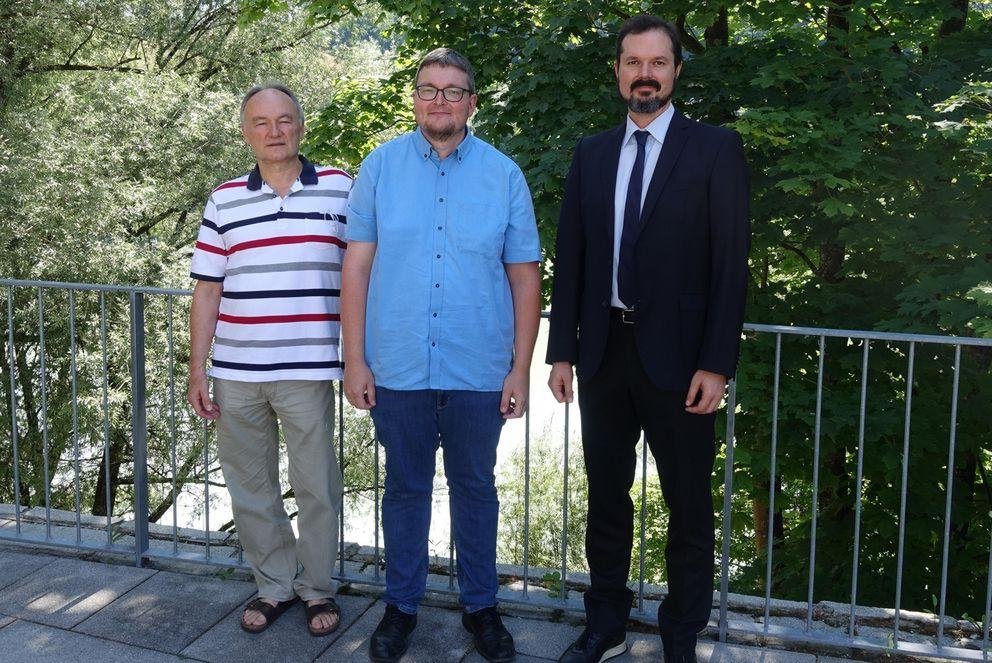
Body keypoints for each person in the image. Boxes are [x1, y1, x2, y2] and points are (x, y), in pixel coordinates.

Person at [546, 14, 750, 663]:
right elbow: (571, 258)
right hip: (604, 354)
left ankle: (680, 630)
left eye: (657, 62)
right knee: (606, 496)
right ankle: (604, 619)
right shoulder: (592, 153)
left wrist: (717, 363)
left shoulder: (715, 149)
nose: (644, 74)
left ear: (676, 71)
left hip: (684, 361)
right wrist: (560, 351)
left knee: (689, 505)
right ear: (617, 72)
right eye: (633, 62)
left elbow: (730, 264)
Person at [341, 48, 541, 663]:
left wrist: (520, 367)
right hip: (396, 364)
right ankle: (401, 606)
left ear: (472, 102)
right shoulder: (378, 168)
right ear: (415, 98)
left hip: (478, 369)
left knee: (475, 489)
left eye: (453, 91)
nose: (440, 100)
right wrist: (355, 359)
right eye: (429, 89)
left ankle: (481, 608)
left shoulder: (504, 175)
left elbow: (525, 275)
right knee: (404, 490)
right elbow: (356, 265)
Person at [187, 82, 349, 637]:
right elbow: (207, 290)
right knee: (250, 487)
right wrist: (197, 368)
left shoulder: (342, 190)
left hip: (308, 370)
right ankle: (274, 586)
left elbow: (363, 276)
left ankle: (318, 589)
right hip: (236, 373)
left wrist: (362, 357)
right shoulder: (224, 199)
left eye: (284, 120)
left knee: (317, 487)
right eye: (261, 123)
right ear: (245, 132)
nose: (274, 132)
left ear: (301, 125)